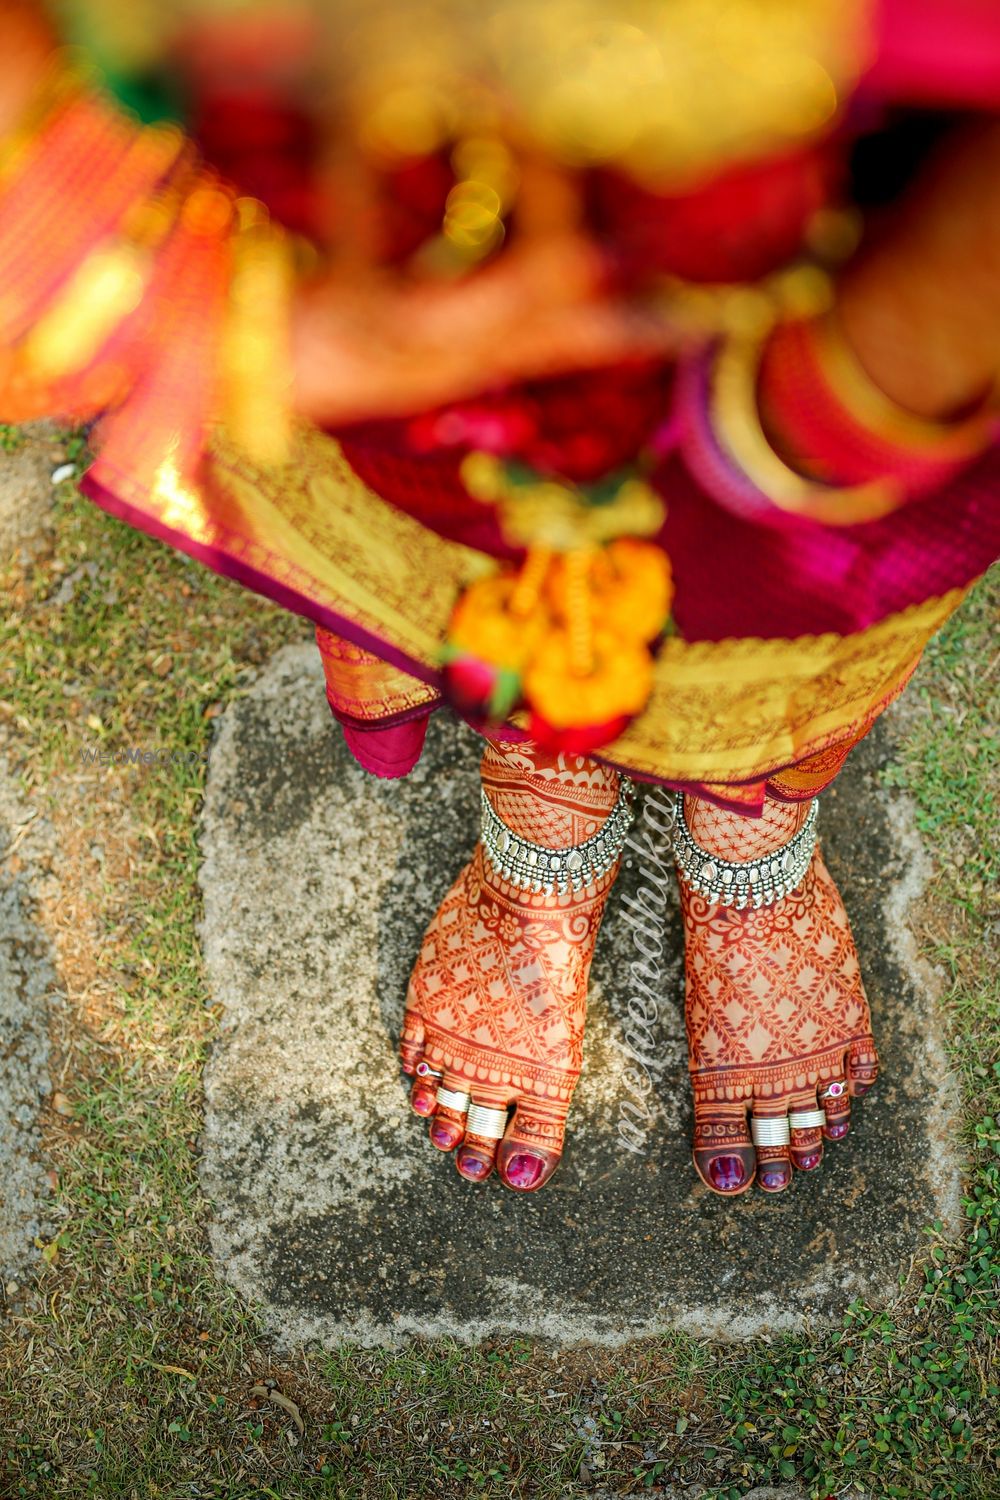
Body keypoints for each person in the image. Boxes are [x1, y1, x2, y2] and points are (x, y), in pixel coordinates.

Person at [1, 0, 998, 1198]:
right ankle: (545, 789)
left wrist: (882, 369)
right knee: (413, 485)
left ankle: (749, 819)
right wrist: (182, 291)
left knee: (818, 550)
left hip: (901, 210)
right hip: (372, 155)